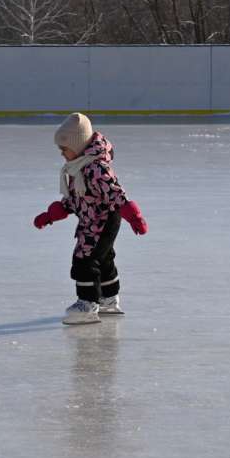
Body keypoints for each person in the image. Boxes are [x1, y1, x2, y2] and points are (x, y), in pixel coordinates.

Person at [33, 113, 148, 325]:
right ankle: (108, 299)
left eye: (64, 148)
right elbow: (74, 199)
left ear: (77, 145)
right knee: (103, 258)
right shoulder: (78, 167)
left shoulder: (96, 168)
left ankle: (87, 303)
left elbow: (116, 194)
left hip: (103, 221)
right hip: (92, 220)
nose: (62, 153)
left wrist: (134, 217)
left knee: (84, 259)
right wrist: (50, 215)